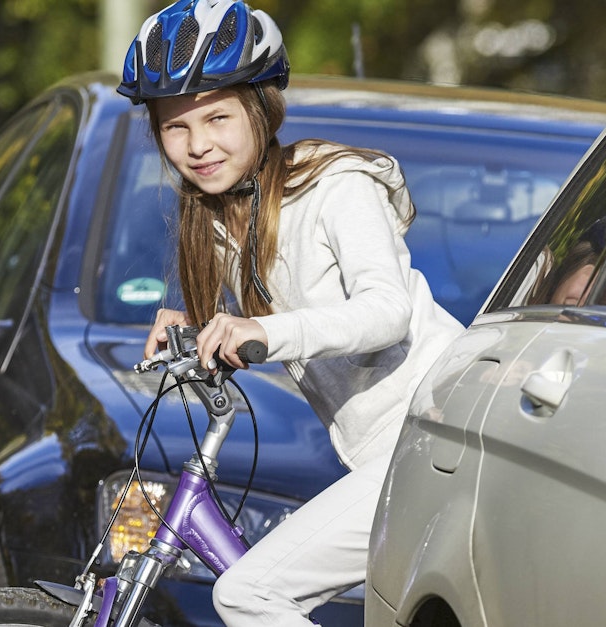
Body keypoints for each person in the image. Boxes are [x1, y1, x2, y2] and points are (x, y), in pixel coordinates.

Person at [118, 1, 464, 624]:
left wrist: (262, 330)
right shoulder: (226, 221)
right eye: (175, 127)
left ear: (261, 109)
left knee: (250, 593)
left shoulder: (336, 184)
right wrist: (198, 333)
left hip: (441, 431)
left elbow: (386, 311)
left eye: (218, 117)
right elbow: (282, 319)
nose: (199, 145)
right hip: (401, 446)